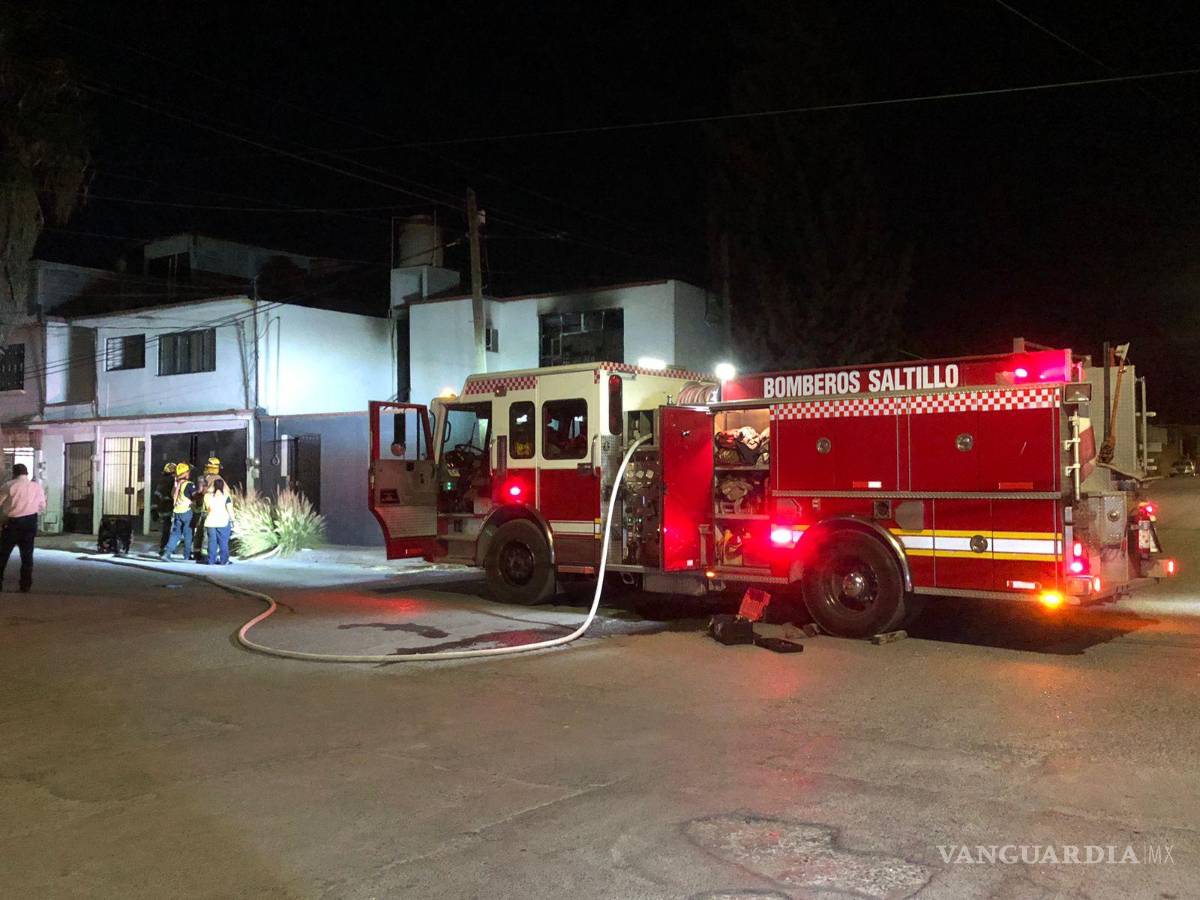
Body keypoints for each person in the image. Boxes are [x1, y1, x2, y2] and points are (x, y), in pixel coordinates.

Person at [0, 464, 47, 592]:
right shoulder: (37, 487)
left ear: (14, 473)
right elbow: (42, 506)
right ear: (26, 473)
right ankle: (25, 585)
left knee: (3, 554)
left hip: (12, 523)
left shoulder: (9, 485)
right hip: (30, 522)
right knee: (27, 555)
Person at [160, 463, 196, 561]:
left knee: (175, 534)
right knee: (188, 534)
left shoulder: (176, 485)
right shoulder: (189, 485)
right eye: (188, 471)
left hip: (177, 512)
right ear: (185, 473)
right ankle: (187, 555)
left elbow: (173, 496)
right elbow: (195, 497)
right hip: (187, 512)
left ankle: (167, 553)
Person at [203, 477, 234, 565]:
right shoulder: (226, 496)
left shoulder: (207, 496)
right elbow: (230, 509)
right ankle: (224, 560)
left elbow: (206, 508)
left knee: (212, 542)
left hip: (210, 522)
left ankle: (211, 560)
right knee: (223, 542)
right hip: (223, 521)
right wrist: (233, 520)